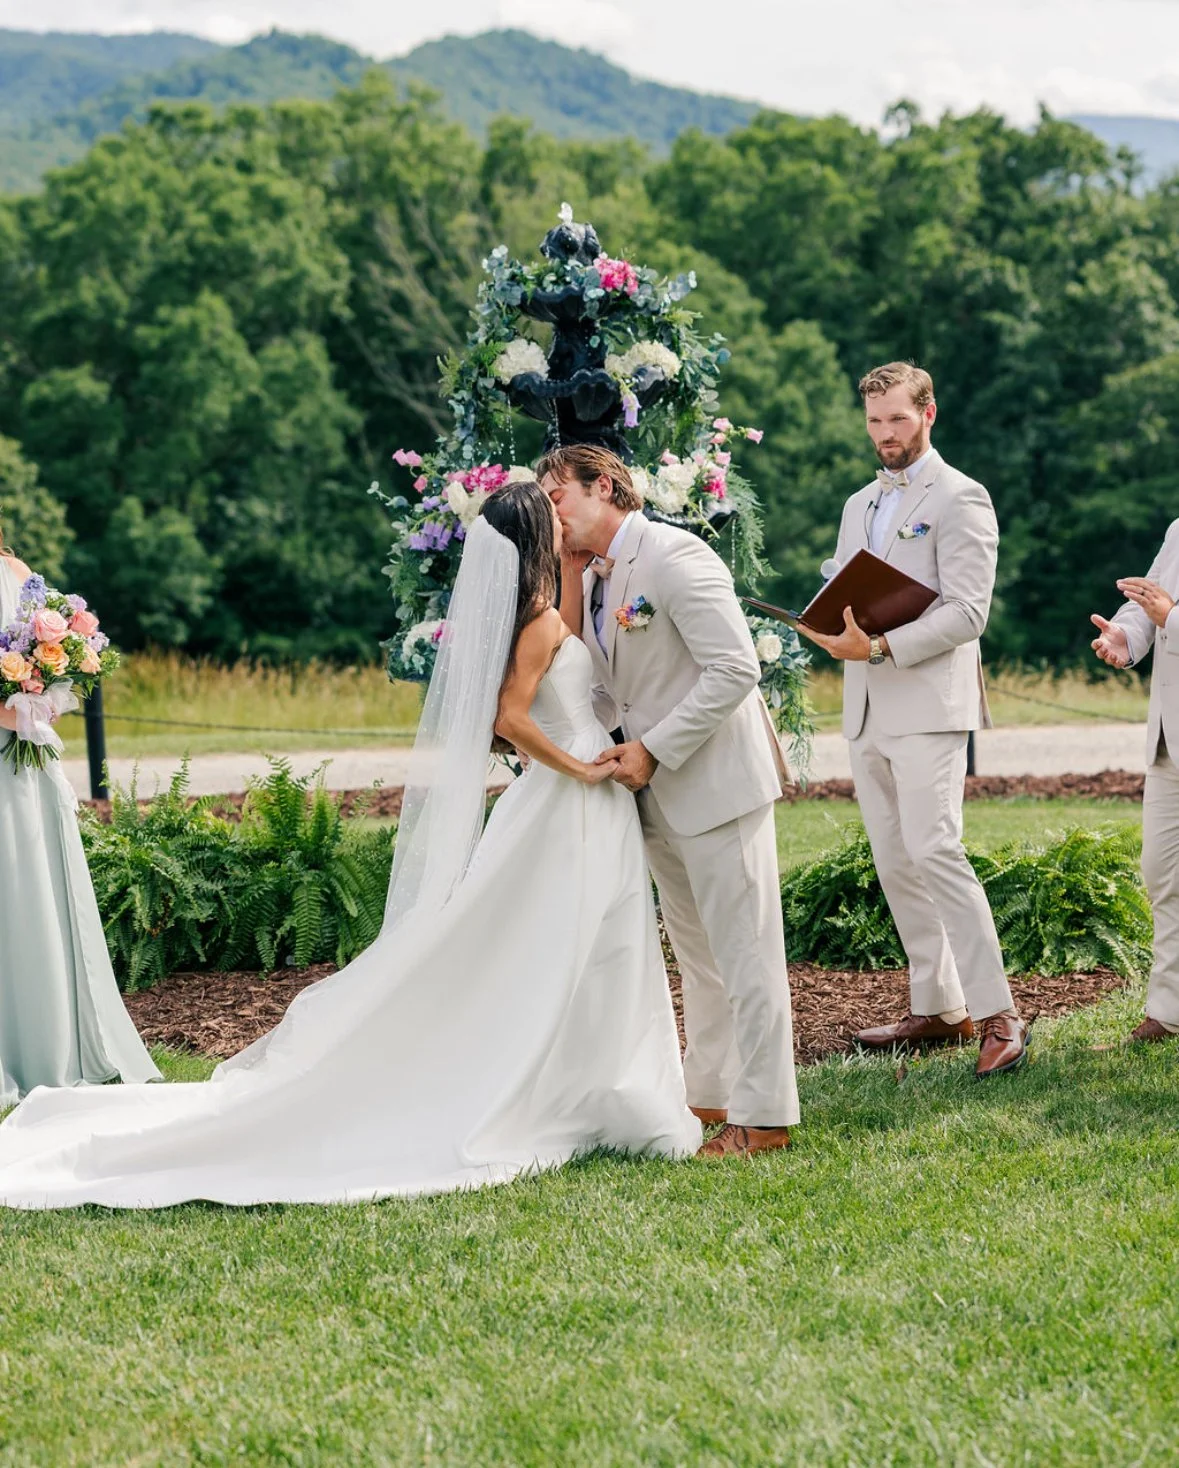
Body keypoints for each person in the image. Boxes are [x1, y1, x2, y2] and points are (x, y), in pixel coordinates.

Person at [0, 482, 700, 1208]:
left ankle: (599, 1084)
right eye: (553, 514)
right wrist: (581, 766)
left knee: (596, 939)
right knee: (570, 940)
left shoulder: (551, 609)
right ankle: (583, 1091)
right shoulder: (536, 623)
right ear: (535, 533)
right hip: (571, 799)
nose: (565, 518)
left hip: (578, 804)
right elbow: (511, 719)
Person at [539, 444, 798, 1158]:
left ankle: (767, 1115)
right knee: (700, 957)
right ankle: (708, 1093)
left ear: (604, 488)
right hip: (653, 793)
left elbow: (734, 667)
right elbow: (589, 676)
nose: (551, 511)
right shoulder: (591, 579)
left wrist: (653, 748)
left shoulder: (673, 558)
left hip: (713, 782)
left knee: (746, 954)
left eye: (558, 495)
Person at [798, 362, 1028, 1078]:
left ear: (928, 413)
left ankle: (1000, 1015)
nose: (884, 435)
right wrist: (819, 623)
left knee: (935, 851)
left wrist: (884, 645)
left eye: (896, 419)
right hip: (864, 706)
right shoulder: (857, 502)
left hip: (929, 703)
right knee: (896, 861)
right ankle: (939, 1008)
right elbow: (844, 589)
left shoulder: (962, 496)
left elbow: (968, 612)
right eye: (873, 421)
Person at [0, 538, 160, 1109]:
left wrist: (27, 703)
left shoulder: (18, 573)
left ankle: (41, 1046)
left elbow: (69, 671)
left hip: (21, 765)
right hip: (18, 756)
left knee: (27, 889)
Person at [1091, 526, 1179, 1043]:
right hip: (1169, 735)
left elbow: (1167, 608)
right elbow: (1153, 593)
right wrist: (1127, 635)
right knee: (1162, 872)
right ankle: (1168, 1012)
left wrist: (1171, 617)